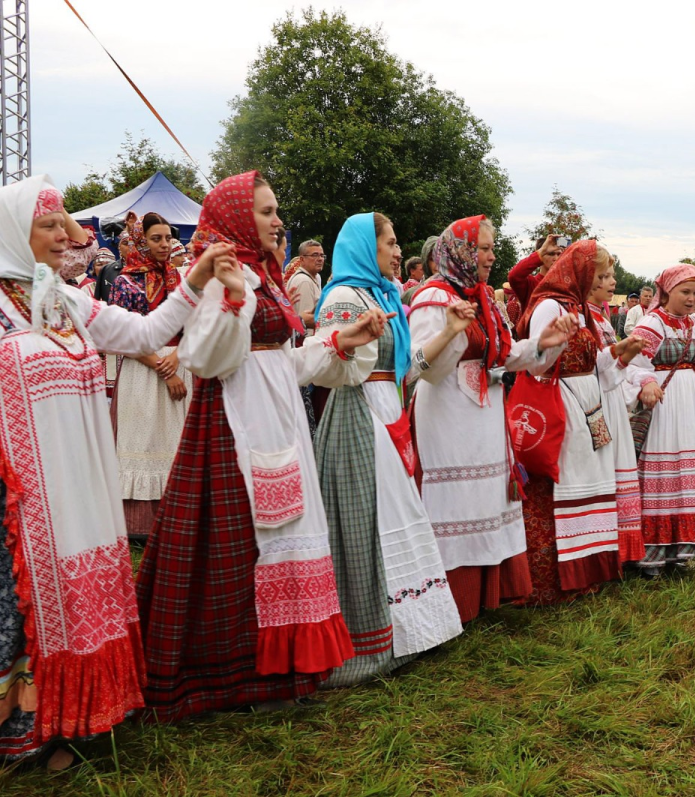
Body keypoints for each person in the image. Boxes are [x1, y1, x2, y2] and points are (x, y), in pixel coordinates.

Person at [136, 172, 391, 722]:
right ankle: (230, 679)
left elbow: (284, 359)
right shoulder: (224, 277)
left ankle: (282, 674)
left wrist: (346, 340)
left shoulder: (266, 276)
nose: (278, 221)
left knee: (283, 534)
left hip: (277, 417)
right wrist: (232, 295)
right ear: (235, 219)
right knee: (237, 548)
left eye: (277, 211)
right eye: (266, 211)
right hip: (235, 425)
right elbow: (207, 359)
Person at [0, 175, 228, 767]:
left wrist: (195, 280)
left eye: (63, 222)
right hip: (18, 498)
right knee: (20, 614)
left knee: (78, 598)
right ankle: (23, 732)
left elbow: (146, 333)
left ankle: (69, 721)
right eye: (48, 224)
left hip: (79, 484)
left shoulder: (61, 298)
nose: (64, 235)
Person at [312, 213, 462, 687]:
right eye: (391, 243)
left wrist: (449, 330)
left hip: (388, 410)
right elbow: (327, 368)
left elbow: (405, 369)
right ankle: (375, 638)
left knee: (397, 517)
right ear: (364, 246)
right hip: (357, 418)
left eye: (398, 243)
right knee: (370, 523)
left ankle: (411, 632)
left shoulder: (382, 294)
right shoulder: (340, 297)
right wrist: (358, 341)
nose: (399, 252)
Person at [407, 215, 576, 623]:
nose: (491, 255)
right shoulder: (433, 297)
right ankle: (451, 603)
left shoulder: (483, 298)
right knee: (456, 502)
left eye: (491, 247)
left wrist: (542, 344)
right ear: (462, 252)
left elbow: (503, 355)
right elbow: (420, 367)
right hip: (448, 417)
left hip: (483, 418)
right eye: (483, 248)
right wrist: (449, 332)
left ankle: (483, 597)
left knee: (483, 500)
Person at [515, 240, 645, 603]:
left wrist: (619, 354)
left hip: (587, 403)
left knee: (589, 485)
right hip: (562, 404)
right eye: (598, 272)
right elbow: (537, 361)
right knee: (565, 488)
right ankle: (554, 582)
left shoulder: (580, 308)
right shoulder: (549, 306)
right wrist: (557, 343)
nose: (603, 280)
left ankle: (584, 573)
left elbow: (595, 366)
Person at [626, 265, 695, 574]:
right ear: (667, 292)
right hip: (663, 409)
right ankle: (651, 557)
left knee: (685, 475)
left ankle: (679, 554)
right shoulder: (651, 323)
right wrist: (646, 383)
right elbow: (630, 364)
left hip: (691, 411)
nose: (692, 299)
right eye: (686, 292)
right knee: (659, 476)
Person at [108, 212, 192, 539]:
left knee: (176, 441)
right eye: (156, 238)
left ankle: (178, 519)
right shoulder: (125, 282)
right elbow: (120, 338)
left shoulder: (180, 281)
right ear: (141, 240)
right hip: (144, 370)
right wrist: (163, 367)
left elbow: (196, 328)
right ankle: (140, 526)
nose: (164, 244)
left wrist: (177, 357)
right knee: (142, 440)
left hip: (178, 364)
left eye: (168, 238)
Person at [587, 267, 646, 570]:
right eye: (604, 276)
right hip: (596, 400)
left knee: (618, 468)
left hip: (610, 399)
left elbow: (609, 371)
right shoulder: (585, 315)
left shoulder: (600, 315)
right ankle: (605, 550)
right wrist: (619, 352)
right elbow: (590, 368)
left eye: (611, 275)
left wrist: (623, 357)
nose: (612, 282)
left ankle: (620, 551)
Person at [507, 235, 565, 324]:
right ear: (541, 254)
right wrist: (541, 252)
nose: (556, 258)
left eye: (559, 254)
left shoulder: (565, 285)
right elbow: (514, 276)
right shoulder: (531, 284)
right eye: (551, 254)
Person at [286, 239, 324, 336]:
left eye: (322, 255)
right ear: (302, 259)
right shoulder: (304, 281)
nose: (320, 259)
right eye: (315, 255)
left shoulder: (315, 277)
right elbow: (307, 323)